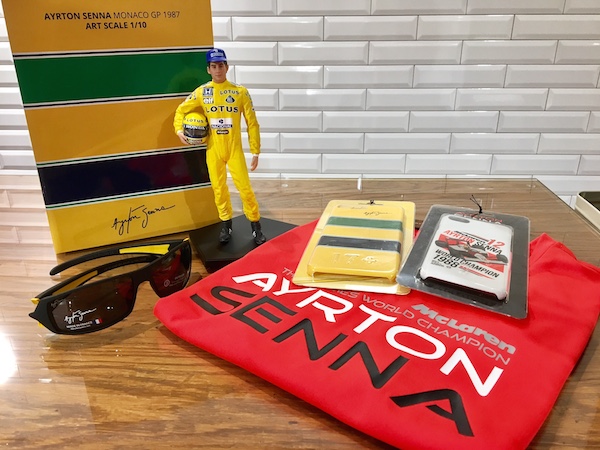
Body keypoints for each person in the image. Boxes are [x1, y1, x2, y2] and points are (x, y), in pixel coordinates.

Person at [173, 48, 266, 246]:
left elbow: (252, 123)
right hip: (213, 149)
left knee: (245, 189)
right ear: (208, 69)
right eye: (214, 66)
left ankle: (255, 225)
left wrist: (255, 150)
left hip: (234, 149)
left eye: (221, 65)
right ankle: (226, 224)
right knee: (218, 189)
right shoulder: (202, 92)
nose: (218, 70)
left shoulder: (240, 92)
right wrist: (179, 130)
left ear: (227, 67)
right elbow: (181, 110)